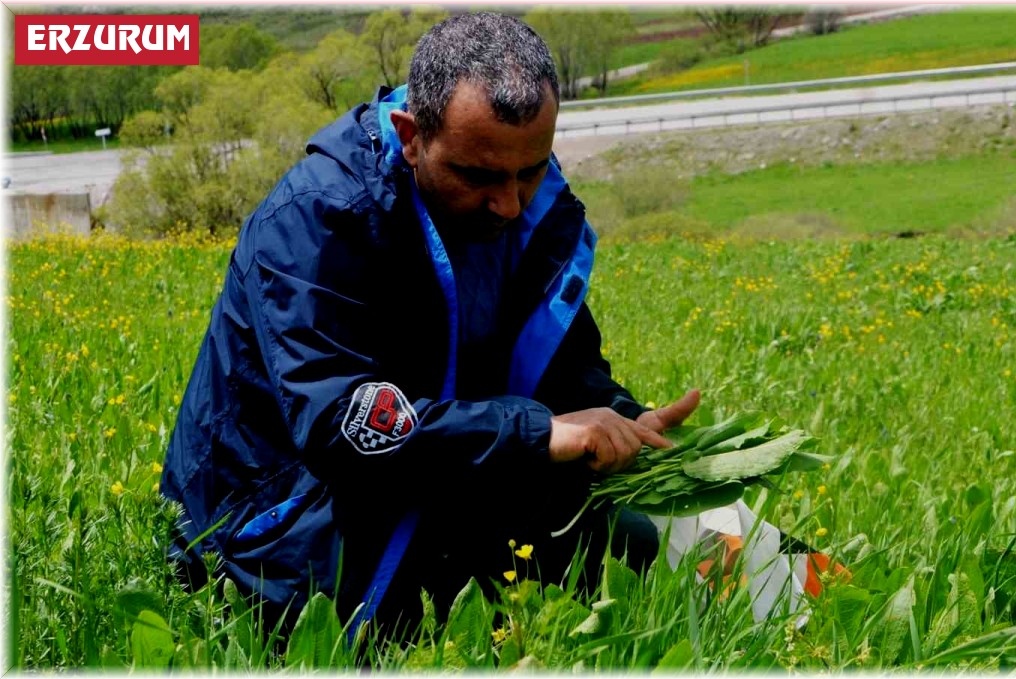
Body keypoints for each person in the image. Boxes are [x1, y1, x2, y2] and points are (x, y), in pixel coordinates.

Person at [160, 12, 701, 640]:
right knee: (402, 634)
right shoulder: (319, 220)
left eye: (531, 169)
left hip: (439, 468)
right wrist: (538, 434)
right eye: (479, 176)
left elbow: (561, 366)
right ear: (411, 136)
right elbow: (343, 427)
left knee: (649, 547)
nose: (510, 204)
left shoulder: (534, 211)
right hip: (285, 520)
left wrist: (618, 419)